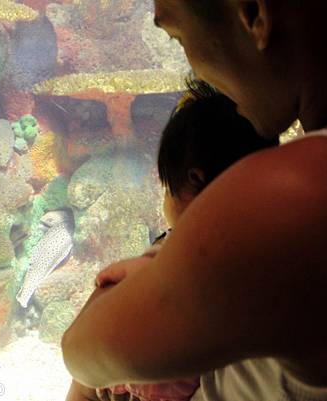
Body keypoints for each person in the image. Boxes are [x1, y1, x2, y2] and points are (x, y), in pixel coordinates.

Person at [62, 1, 327, 400]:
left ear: (253, 14)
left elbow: (84, 353)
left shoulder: (293, 195)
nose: (194, 69)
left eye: (178, 36)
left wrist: (150, 267)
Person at [66, 80, 277, 401]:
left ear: (195, 179)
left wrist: (138, 280)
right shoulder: (277, 243)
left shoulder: (184, 258)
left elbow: (79, 354)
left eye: (167, 187)